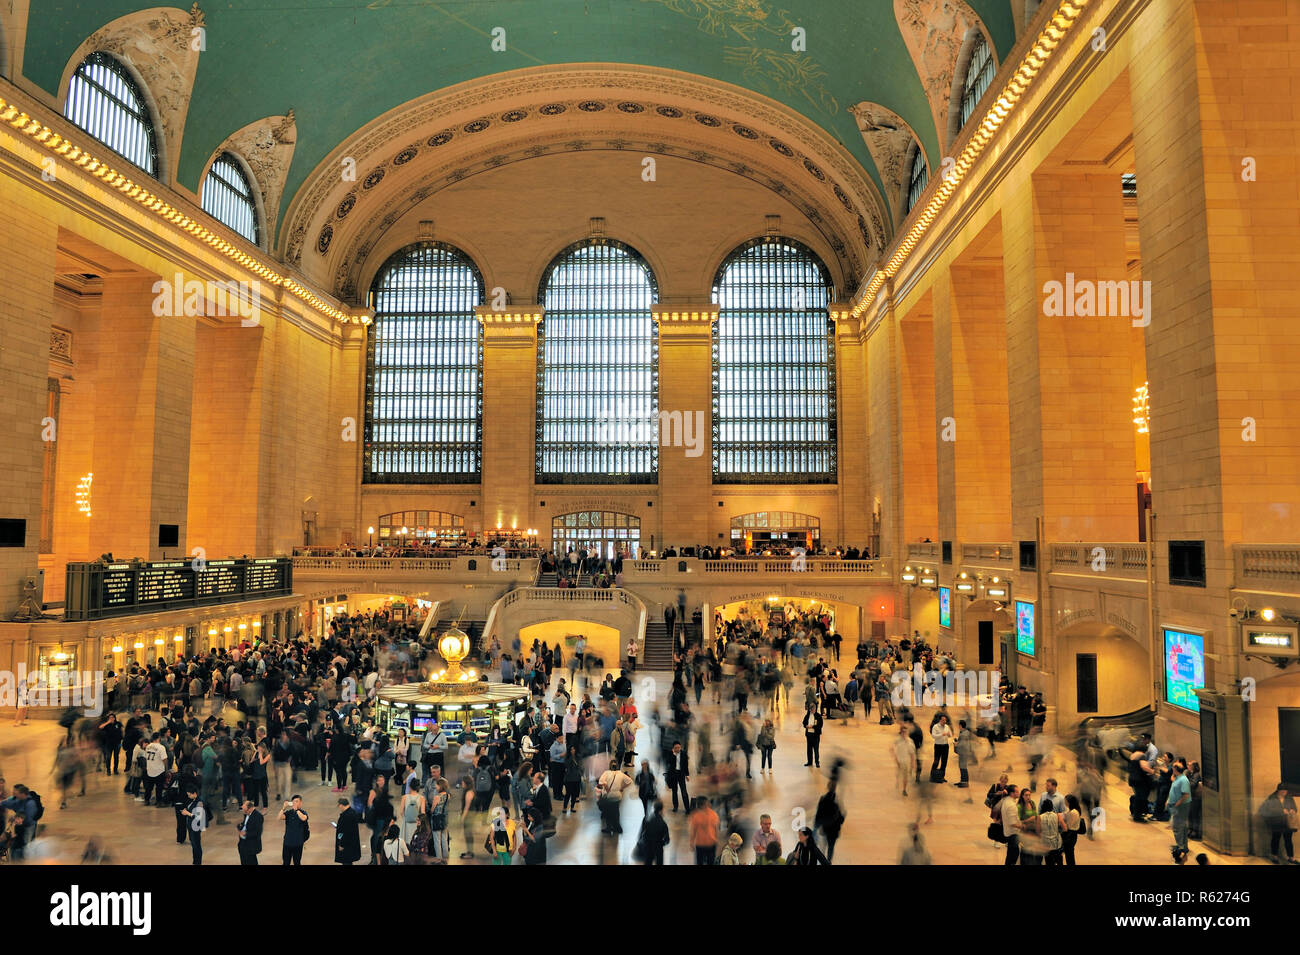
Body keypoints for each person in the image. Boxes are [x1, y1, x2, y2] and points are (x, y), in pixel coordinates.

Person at [1258, 783, 1297, 865]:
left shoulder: (1289, 798)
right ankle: (1274, 856)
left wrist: (1292, 810)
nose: (1284, 792)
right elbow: (1264, 810)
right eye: (1282, 791)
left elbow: (1294, 807)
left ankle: (1291, 857)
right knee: (1276, 839)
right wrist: (1281, 811)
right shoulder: (1272, 798)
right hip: (1276, 822)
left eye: (1285, 791)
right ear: (1278, 791)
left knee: (1288, 840)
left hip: (1287, 822)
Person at [180, 786, 207, 865]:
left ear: (194, 793)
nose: (188, 796)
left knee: (196, 845)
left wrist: (187, 813)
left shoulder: (199, 802)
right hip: (191, 826)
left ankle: (198, 862)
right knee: (193, 844)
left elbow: (198, 817)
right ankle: (195, 861)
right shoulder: (193, 800)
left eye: (189, 795)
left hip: (196, 827)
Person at [637, 799, 670, 865]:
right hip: (658, 847)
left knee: (648, 861)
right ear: (661, 810)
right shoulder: (663, 824)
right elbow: (667, 840)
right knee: (659, 862)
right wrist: (661, 843)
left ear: (654, 808)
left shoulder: (647, 820)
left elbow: (641, 834)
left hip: (648, 846)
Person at [688, 797, 720, 865]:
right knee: (710, 862)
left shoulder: (695, 816)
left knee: (699, 862)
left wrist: (691, 842)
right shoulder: (713, 814)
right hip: (711, 843)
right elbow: (716, 829)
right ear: (706, 804)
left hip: (700, 844)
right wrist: (716, 840)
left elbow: (693, 830)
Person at [281, 794, 309, 865]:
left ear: (300, 803)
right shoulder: (289, 813)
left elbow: (304, 818)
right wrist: (283, 808)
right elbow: (279, 817)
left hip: (298, 843)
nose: (295, 803)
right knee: (286, 862)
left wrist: (297, 810)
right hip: (287, 842)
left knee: (297, 862)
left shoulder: (303, 812)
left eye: (297, 801)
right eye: (293, 802)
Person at [998, 783, 1021, 865]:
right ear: (1012, 793)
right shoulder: (1011, 805)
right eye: (1017, 792)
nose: (1019, 793)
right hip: (1012, 834)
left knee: (1010, 855)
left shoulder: (1006, 800)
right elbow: (1013, 823)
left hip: (1008, 832)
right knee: (1013, 856)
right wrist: (1023, 826)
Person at [892, 725, 917, 797]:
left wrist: (913, 764)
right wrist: (895, 758)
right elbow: (892, 748)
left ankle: (904, 789)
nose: (904, 733)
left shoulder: (910, 742)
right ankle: (898, 782)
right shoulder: (898, 740)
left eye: (905, 732)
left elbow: (912, 754)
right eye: (903, 732)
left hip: (906, 762)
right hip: (899, 761)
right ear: (901, 732)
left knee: (905, 776)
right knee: (898, 774)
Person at [665, 740, 690, 811]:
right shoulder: (670, 753)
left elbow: (686, 765)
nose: (678, 749)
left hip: (681, 774)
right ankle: (675, 807)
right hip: (673, 775)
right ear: (673, 748)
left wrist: (687, 775)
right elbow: (668, 762)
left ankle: (687, 808)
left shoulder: (684, 754)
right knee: (674, 791)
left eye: (679, 747)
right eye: (676, 748)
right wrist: (674, 755)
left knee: (684, 791)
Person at [236, 799, 263, 865]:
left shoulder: (258, 816)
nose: (244, 812)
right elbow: (245, 824)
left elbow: (258, 832)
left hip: (251, 845)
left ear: (250, 808)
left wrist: (246, 834)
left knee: (252, 862)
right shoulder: (247, 813)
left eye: (245, 810)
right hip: (243, 844)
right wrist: (239, 827)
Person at [930, 714, 952, 782]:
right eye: (943, 720)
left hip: (945, 746)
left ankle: (941, 777)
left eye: (945, 720)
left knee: (944, 762)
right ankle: (932, 777)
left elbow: (950, 735)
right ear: (940, 720)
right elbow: (933, 736)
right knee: (936, 761)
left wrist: (949, 734)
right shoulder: (935, 727)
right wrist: (941, 735)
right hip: (938, 746)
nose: (944, 721)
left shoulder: (947, 726)